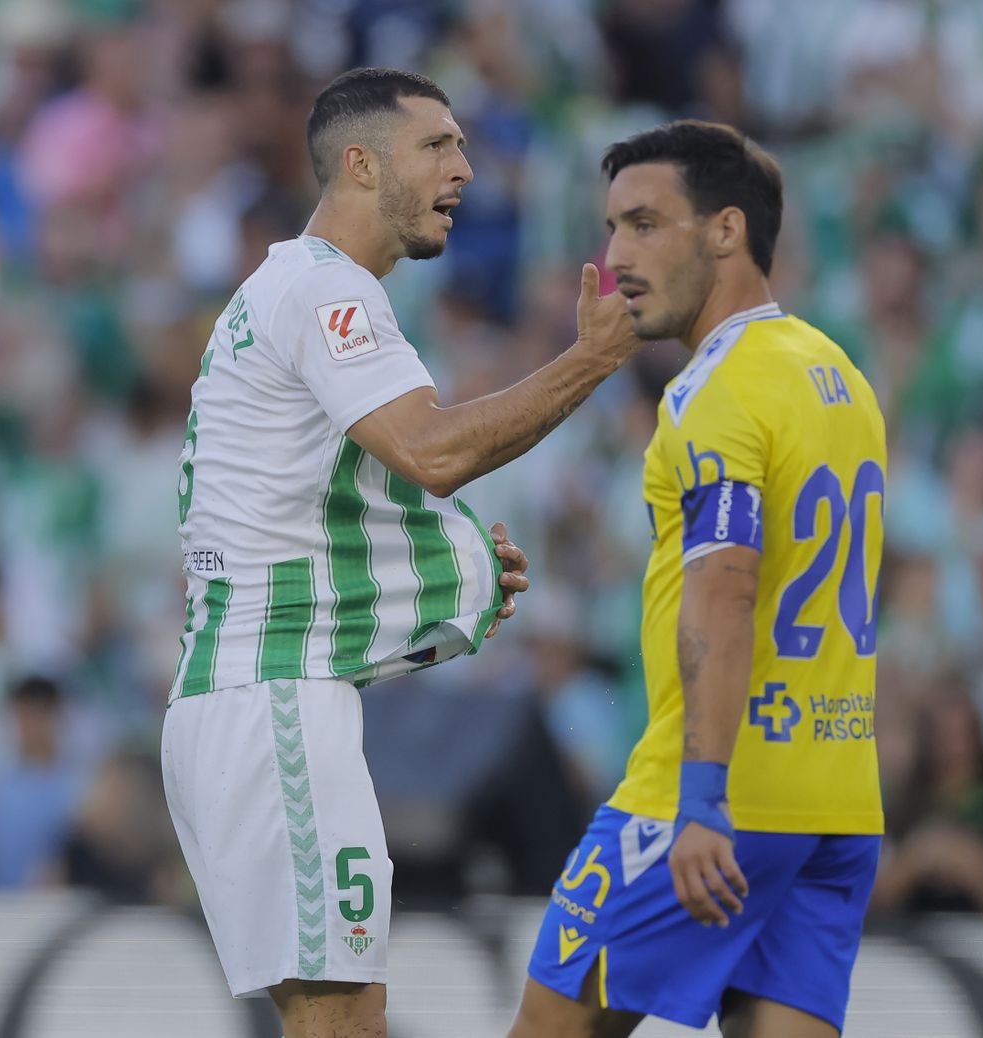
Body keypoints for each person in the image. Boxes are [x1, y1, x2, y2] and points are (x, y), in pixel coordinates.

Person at [162, 67, 642, 1038]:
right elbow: (432, 452)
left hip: (249, 695)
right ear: (359, 161)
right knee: (341, 1017)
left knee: (344, 1016)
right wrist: (590, 358)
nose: (464, 169)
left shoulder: (286, 289)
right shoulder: (327, 291)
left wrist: (440, 574)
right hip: (275, 704)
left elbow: (290, 509)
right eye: (437, 146)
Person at [510, 121, 886, 1038]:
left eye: (644, 224)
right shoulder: (837, 374)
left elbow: (725, 586)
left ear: (726, 231)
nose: (614, 258)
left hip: (714, 798)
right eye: (611, 229)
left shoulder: (713, 393)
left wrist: (703, 799)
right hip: (835, 806)